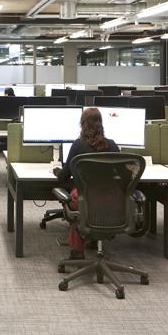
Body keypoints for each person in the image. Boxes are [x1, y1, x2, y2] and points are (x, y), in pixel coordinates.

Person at [52, 108, 119, 260]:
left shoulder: (78, 145)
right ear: (101, 123)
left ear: (82, 124)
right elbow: (124, 174)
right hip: (111, 201)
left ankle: (77, 252)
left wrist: (56, 170)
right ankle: (94, 240)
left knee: (80, 202)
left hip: (85, 200)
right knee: (91, 201)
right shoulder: (112, 145)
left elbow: (63, 176)